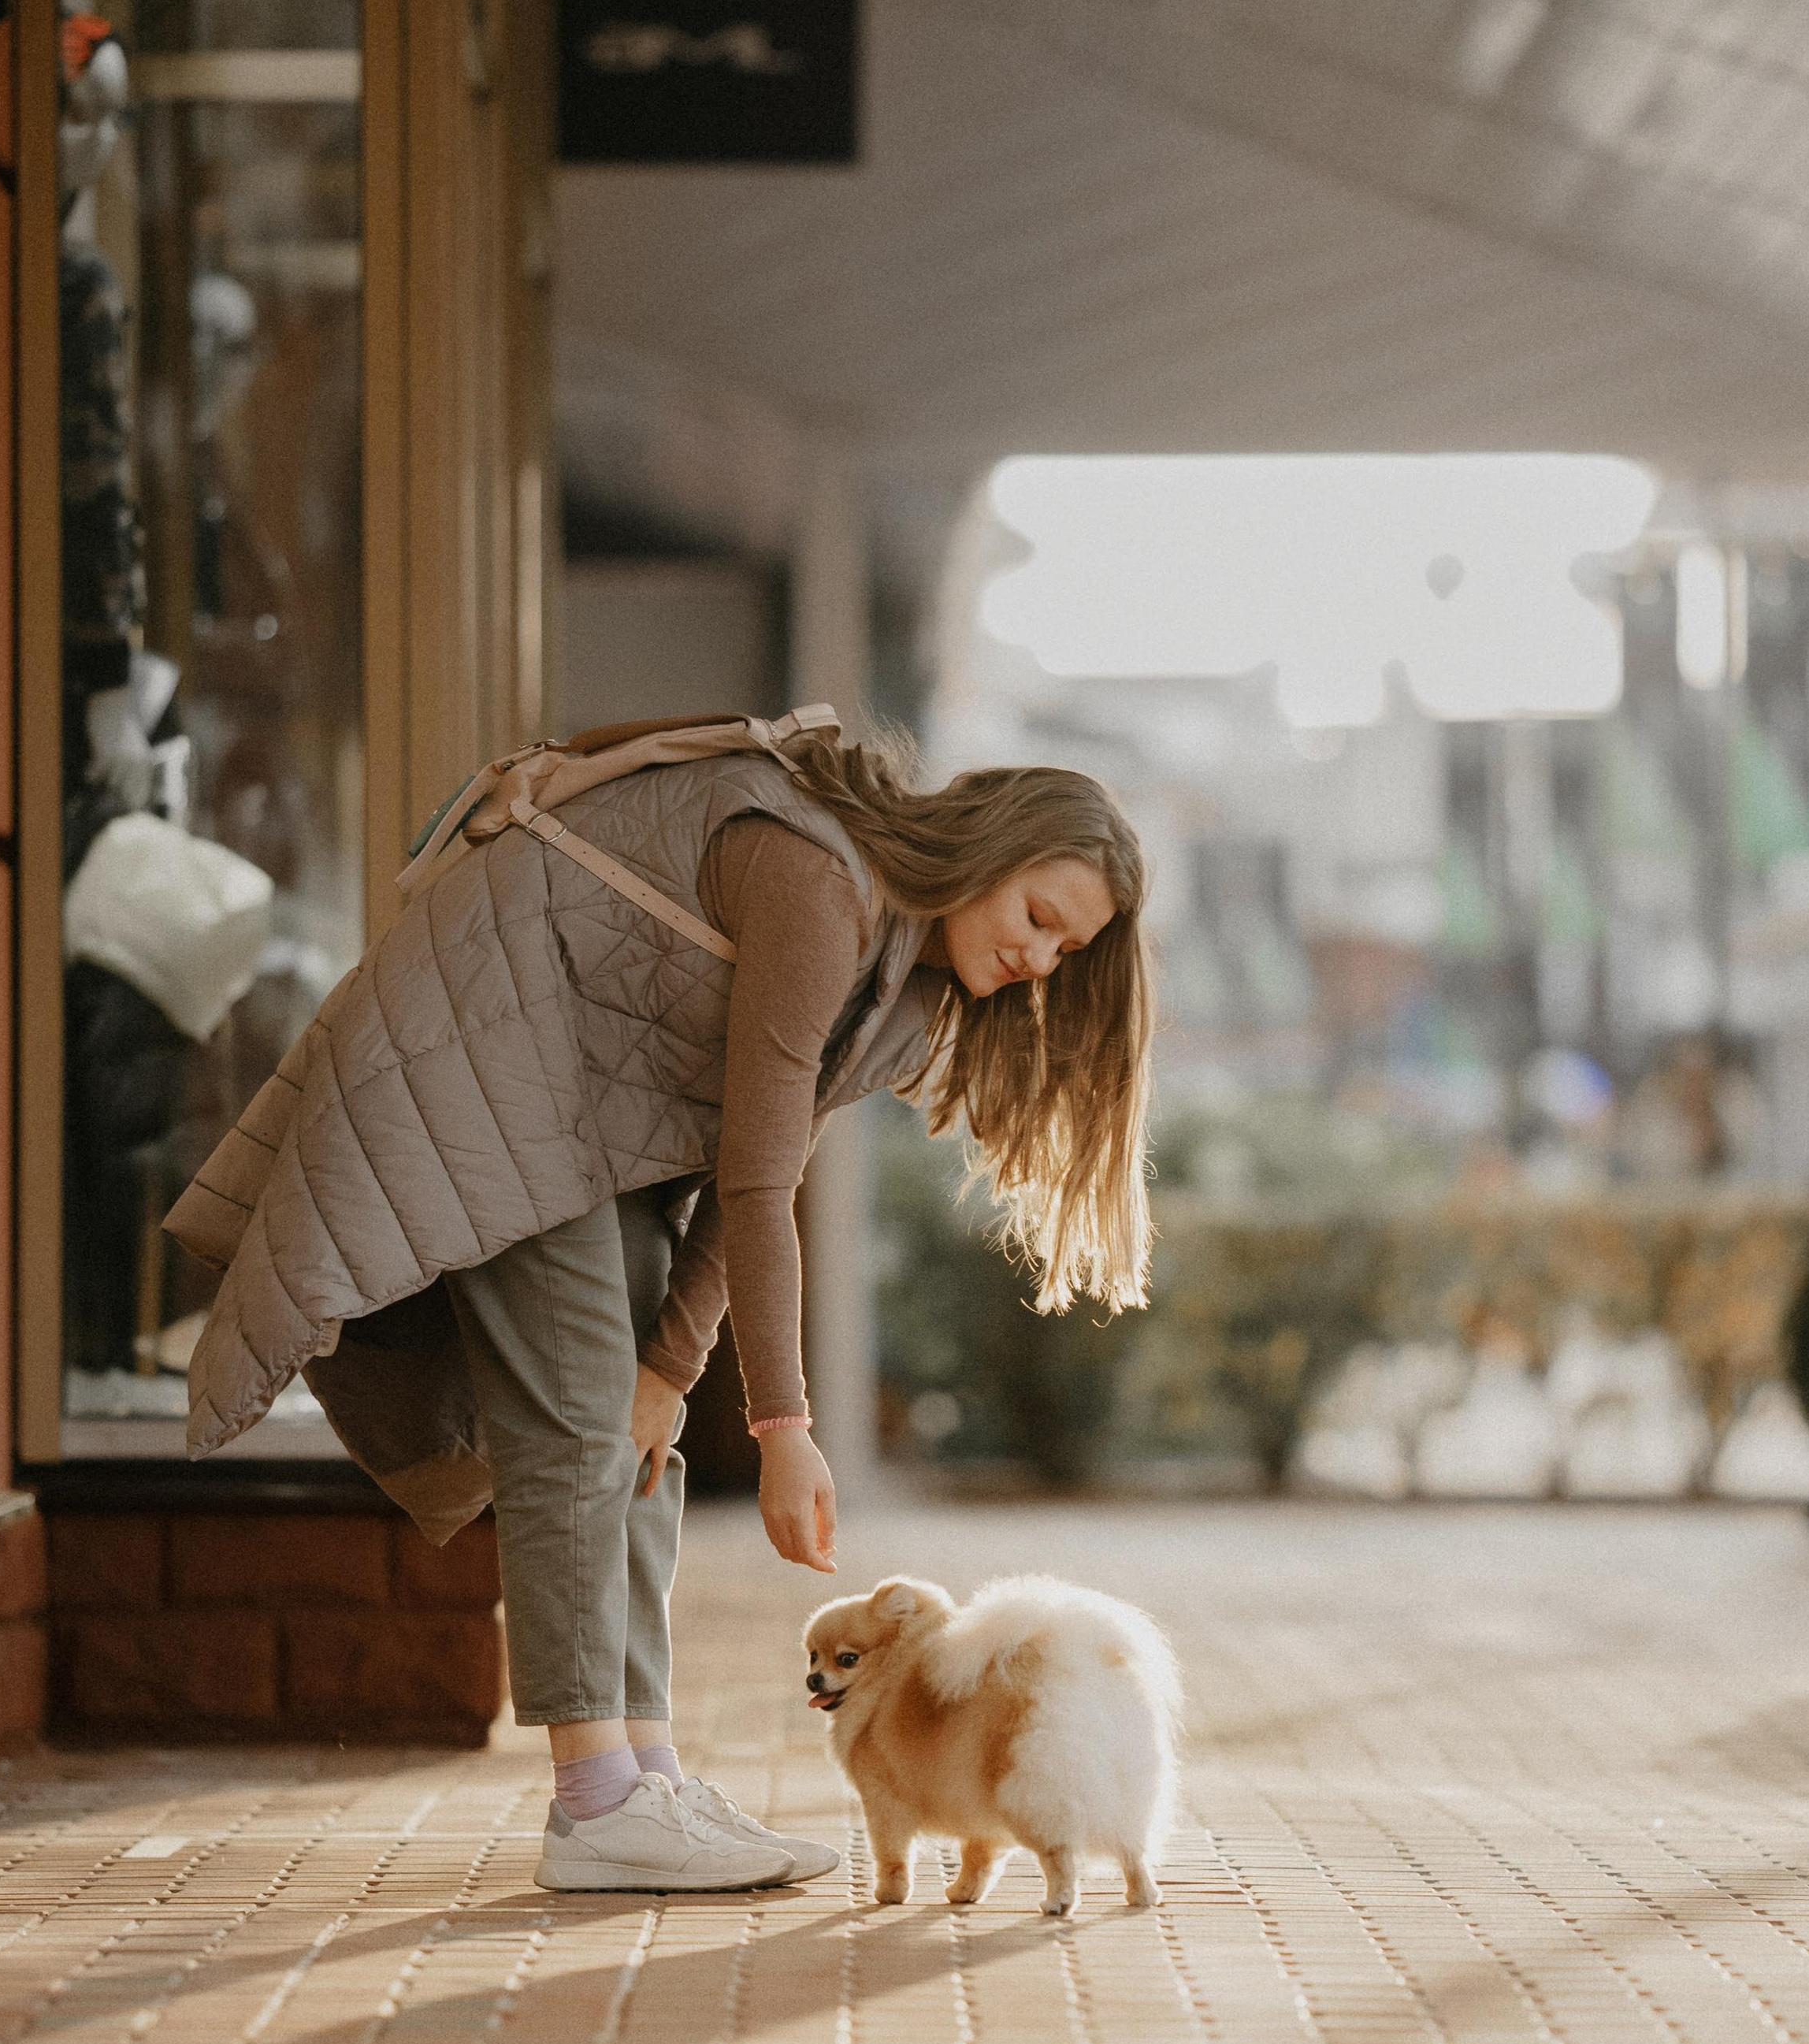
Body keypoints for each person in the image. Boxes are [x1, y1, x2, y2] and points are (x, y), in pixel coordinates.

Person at [165, 710, 1153, 1893]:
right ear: (987, 845)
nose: (1041, 960)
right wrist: (784, 1427)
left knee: (635, 1431)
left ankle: (645, 1775)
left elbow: (752, 1174)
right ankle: (595, 1807)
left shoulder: (906, 989)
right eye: (1041, 918)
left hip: (599, 1107)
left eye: (1067, 953)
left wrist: (676, 1370)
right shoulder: (818, 882)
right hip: (497, 1057)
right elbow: (758, 1177)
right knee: (581, 1415)